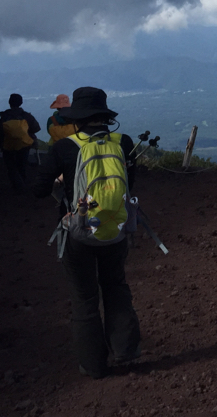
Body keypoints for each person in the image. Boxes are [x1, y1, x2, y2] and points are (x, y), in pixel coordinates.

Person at [32, 86, 141, 378]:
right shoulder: (124, 142)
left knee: (84, 298)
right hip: (114, 229)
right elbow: (130, 182)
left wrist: (62, 180)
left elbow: (39, 190)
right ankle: (125, 350)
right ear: (105, 116)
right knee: (116, 287)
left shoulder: (65, 147)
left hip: (78, 230)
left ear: (77, 118)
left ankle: (93, 365)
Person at [0, 93, 41, 193]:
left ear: (9, 103)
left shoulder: (4, 117)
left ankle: (17, 186)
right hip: (24, 145)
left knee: (11, 167)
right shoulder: (26, 116)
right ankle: (22, 185)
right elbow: (36, 128)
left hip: (8, 146)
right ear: (21, 103)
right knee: (21, 165)